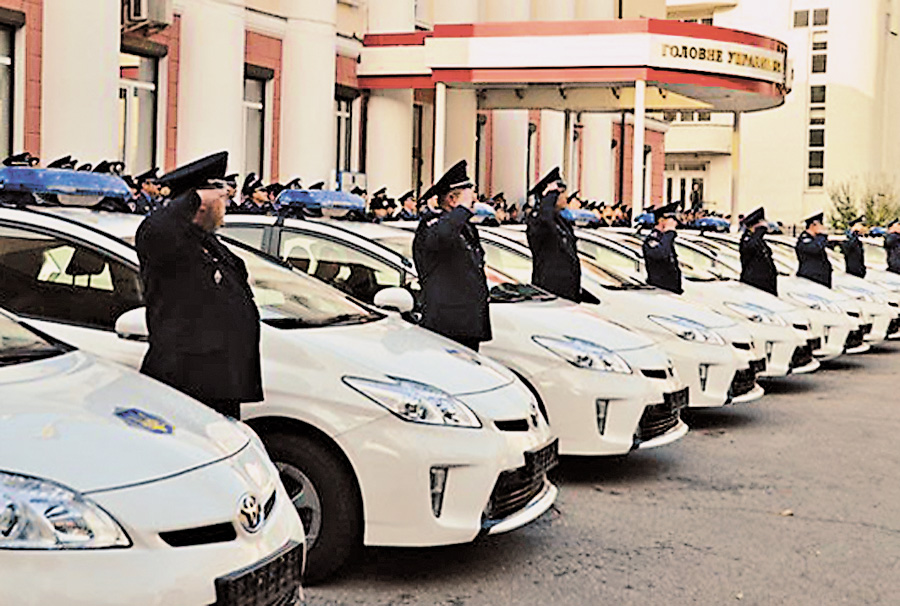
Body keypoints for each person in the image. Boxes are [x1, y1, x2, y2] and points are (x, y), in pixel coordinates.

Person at [135, 151, 262, 419]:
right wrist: (195, 196)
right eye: (223, 198)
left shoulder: (203, 240)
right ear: (200, 201)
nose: (227, 203)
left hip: (219, 384)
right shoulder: (165, 240)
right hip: (185, 381)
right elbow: (157, 226)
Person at [412, 159, 491, 352]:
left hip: (468, 323)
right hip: (448, 324)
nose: (473, 202)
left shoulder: (465, 228)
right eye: (468, 198)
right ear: (452, 200)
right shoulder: (432, 225)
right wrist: (462, 209)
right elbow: (441, 237)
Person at [526, 167, 581, 302]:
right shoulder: (538, 222)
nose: (565, 198)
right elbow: (545, 222)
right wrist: (549, 196)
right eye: (560, 194)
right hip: (550, 292)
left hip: (568, 292)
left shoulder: (561, 221)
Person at [642, 202, 683, 294]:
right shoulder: (652, 239)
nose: (674, 223)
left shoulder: (663, 239)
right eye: (671, 220)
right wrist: (669, 233)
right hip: (659, 289)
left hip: (671, 288)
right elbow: (662, 254)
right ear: (661, 220)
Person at [739, 207, 778, 296]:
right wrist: (758, 232)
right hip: (754, 284)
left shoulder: (760, 241)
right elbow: (751, 247)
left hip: (766, 284)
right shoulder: (747, 240)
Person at [795, 211, 833, 288]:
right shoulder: (805, 239)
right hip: (811, 279)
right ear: (813, 225)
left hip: (820, 279)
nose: (822, 227)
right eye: (820, 224)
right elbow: (816, 249)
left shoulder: (816, 239)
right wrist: (821, 236)